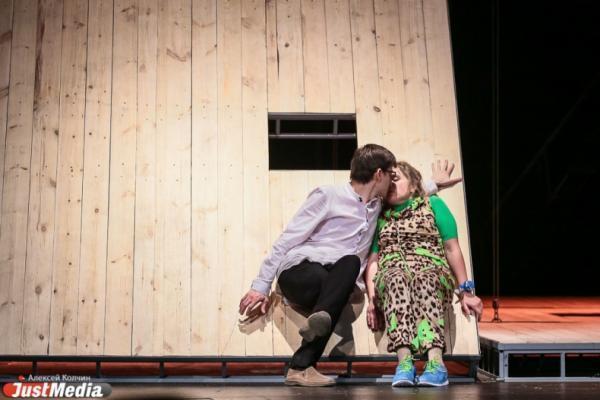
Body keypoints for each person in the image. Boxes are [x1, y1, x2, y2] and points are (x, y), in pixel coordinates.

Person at [238, 144, 461, 386]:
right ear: (379, 175)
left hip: (335, 282)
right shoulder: (328, 196)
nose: (392, 183)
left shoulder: (376, 206)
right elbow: (287, 240)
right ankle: (309, 347)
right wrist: (260, 286)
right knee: (339, 284)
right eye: (391, 175)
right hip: (301, 272)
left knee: (350, 265)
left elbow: (409, 194)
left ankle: (302, 362)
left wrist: (436, 184)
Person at [364, 161, 483, 387]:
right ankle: (404, 363)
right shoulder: (381, 216)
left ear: (413, 184)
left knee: (424, 279)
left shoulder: (433, 204)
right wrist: (372, 299)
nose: (391, 185)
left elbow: (452, 248)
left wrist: (466, 291)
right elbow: (373, 261)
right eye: (388, 181)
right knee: (396, 278)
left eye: (396, 179)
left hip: (432, 271)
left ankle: (436, 363)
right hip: (392, 273)